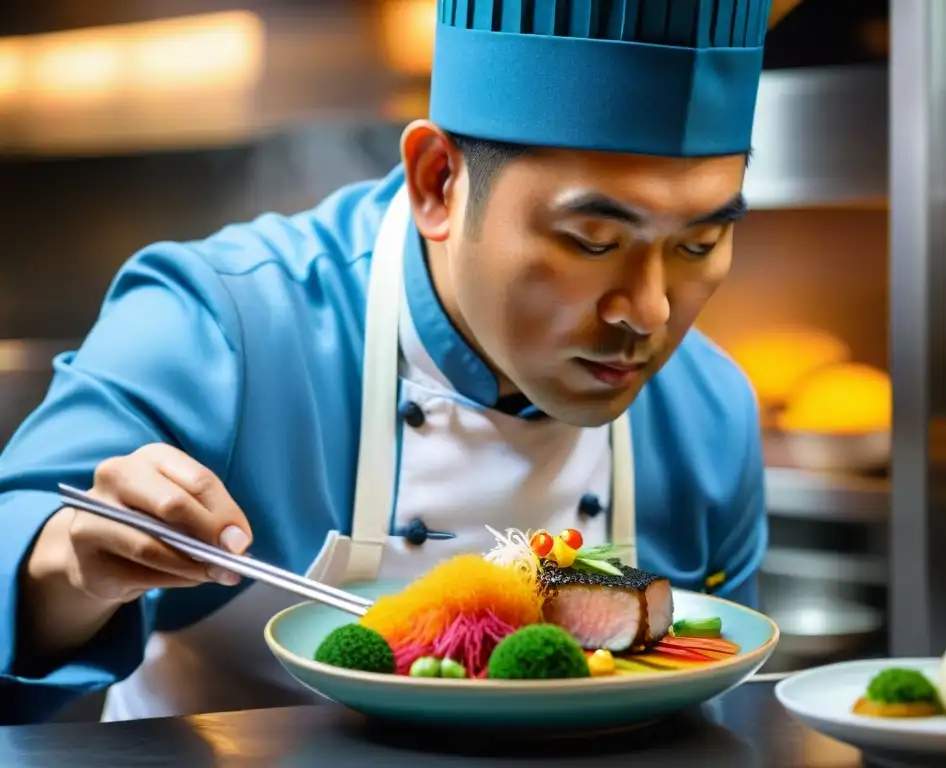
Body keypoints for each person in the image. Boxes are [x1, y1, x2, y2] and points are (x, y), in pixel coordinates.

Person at [0, 0, 774, 724]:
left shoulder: (708, 413)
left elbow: (711, 715)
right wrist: (67, 567)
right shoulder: (224, 323)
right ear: (439, 181)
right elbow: (22, 538)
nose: (649, 312)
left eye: (698, 245)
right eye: (592, 242)